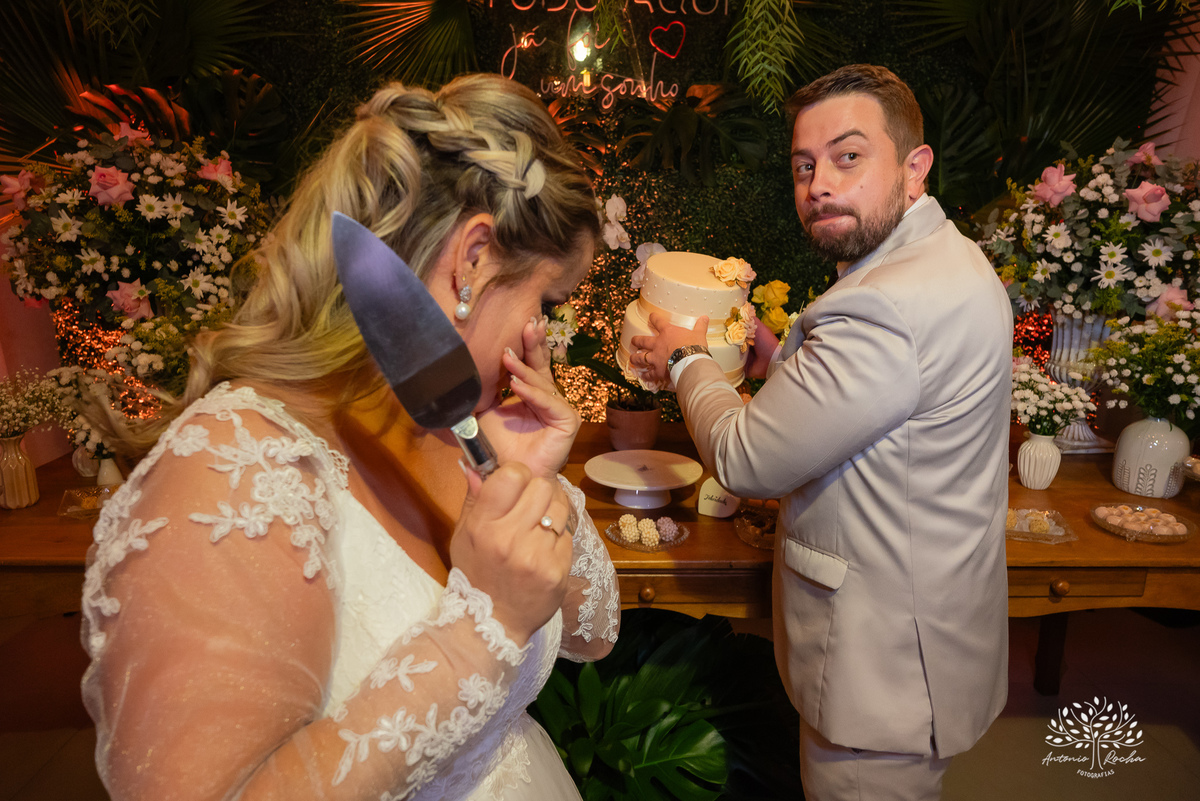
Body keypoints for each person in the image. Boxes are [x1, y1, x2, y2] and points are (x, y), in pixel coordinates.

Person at [80, 73, 619, 800]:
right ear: (473, 259)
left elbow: (594, 632)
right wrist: (480, 631)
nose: (540, 336)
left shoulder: (456, 427)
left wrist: (528, 477)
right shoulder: (232, 469)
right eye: (546, 301)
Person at [630, 64, 1010, 800]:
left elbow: (744, 459)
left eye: (848, 156)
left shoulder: (885, 304)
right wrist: (783, 363)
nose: (819, 184)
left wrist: (683, 359)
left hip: (883, 672)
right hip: (930, 636)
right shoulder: (951, 258)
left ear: (914, 165)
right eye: (804, 165)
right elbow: (886, 403)